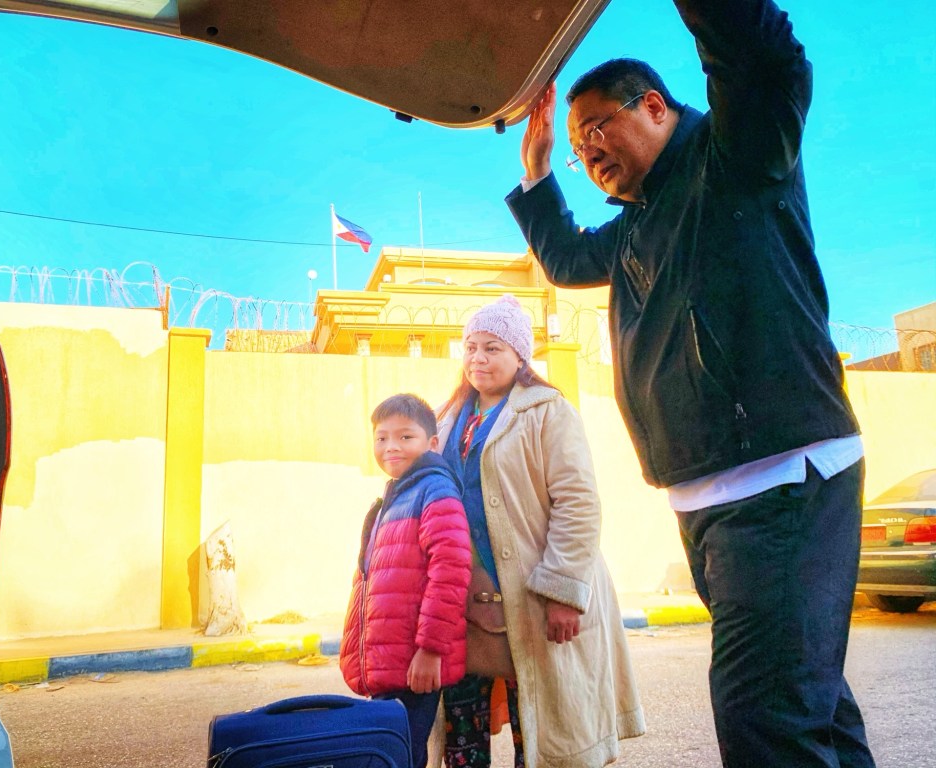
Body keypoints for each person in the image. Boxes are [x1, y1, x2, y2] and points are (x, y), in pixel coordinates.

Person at [504, 1, 874, 766]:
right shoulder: (637, 225)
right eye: (578, 148)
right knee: (811, 711)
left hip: (781, 483)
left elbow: (763, 62)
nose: (588, 151)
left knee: (765, 722)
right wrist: (538, 173)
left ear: (653, 105)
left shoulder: (733, 155)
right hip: (708, 503)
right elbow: (567, 260)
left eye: (596, 128)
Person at [436, 295, 644, 768]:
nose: (478, 358)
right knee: (461, 742)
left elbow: (578, 503)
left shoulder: (549, 412)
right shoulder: (447, 418)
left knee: (540, 736)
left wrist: (562, 591)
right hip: (464, 608)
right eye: (470, 347)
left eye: (492, 348)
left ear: (520, 356)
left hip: (533, 601)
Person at [339, 393, 472, 768]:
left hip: (414, 666)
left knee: (399, 758)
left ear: (432, 443)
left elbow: (450, 571)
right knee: (394, 756)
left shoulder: (434, 491)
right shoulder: (395, 496)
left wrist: (430, 650)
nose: (391, 447)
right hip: (391, 664)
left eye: (405, 437)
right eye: (381, 438)